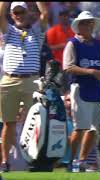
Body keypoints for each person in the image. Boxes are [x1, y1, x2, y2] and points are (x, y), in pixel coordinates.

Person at [0, 1, 48, 172]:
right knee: (9, 123)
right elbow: (0, 13)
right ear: (12, 14)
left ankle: (32, 159)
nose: (19, 15)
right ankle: (5, 161)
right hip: (10, 81)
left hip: (31, 81)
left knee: (33, 122)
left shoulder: (36, 32)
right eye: (16, 12)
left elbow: (45, 15)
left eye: (22, 12)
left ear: (28, 13)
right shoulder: (8, 31)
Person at [63, 10, 100, 172]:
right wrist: (91, 72)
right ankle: (70, 160)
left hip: (95, 89)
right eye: (85, 22)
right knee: (80, 128)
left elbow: (99, 62)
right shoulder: (73, 43)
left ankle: (81, 160)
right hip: (80, 88)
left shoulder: (97, 43)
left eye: (90, 22)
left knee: (93, 129)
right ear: (78, 25)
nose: (88, 25)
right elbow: (68, 67)